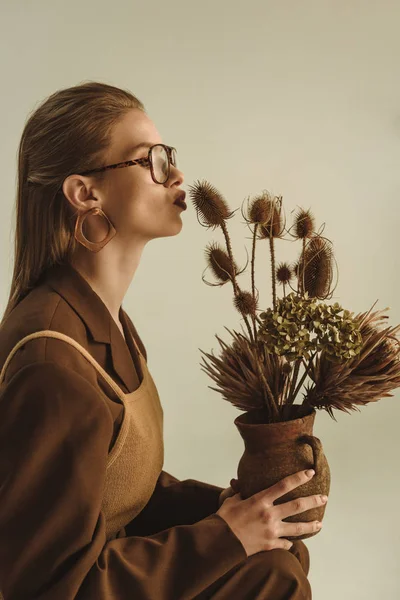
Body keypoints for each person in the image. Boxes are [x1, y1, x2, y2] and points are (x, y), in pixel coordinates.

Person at [0, 81, 325, 599]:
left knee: (274, 566)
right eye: (149, 159)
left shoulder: (103, 323)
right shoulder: (53, 364)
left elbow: (119, 497)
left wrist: (229, 512)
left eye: (168, 155)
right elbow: (48, 587)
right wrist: (224, 537)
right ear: (86, 193)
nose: (176, 175)